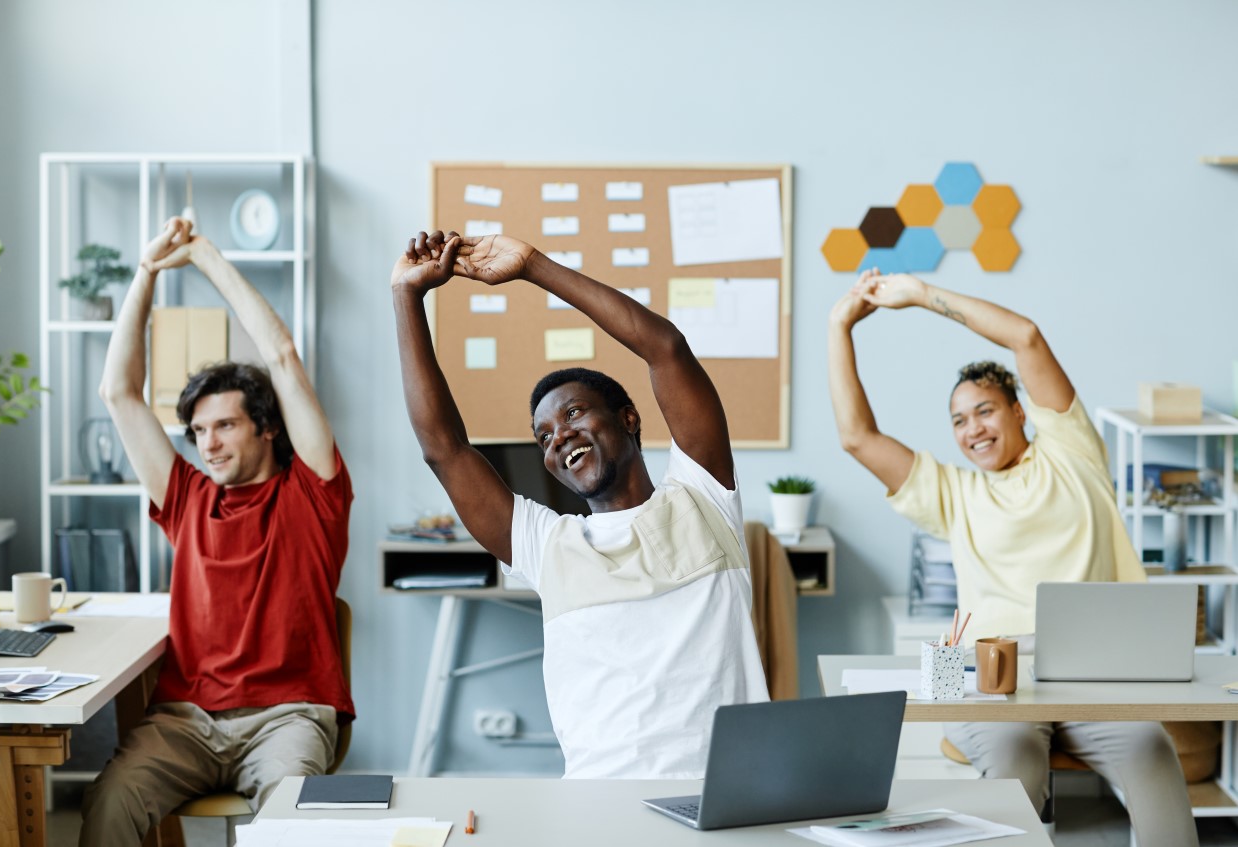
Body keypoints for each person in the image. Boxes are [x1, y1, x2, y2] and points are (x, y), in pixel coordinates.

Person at [827, 269, 1197, 845]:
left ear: (1021, 411)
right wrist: (840, 325)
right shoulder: (954, 493)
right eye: (959, 419)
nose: (972, 428)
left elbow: (1025, 335)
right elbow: (857, 437)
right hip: (999, 683)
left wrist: (921, 296)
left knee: (1153, 750)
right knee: (1015, 766)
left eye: (986, 410)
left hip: (1095, 678)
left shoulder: (1073, 453)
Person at [392, 230, 767, 779]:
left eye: (571, 415)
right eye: (543, 436)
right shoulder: (547, 546)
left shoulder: (704, 497)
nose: (558, 438)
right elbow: (444, 449)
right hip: (600, 807)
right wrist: (406, 295)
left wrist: (533, 267)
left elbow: (664, 347)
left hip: (727, 791)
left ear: (629, 419)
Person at [82, 218, 354, 845]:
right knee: (109, 805)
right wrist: (146, 271)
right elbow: (118, 391)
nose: (208, 444)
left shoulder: (313, 492)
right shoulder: (186, 497)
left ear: (267, 428)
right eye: (199, 432)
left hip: (287, 718)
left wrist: (204, 255)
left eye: (225, 426)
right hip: (185, 721)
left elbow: (282, 357)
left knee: (291, 828)